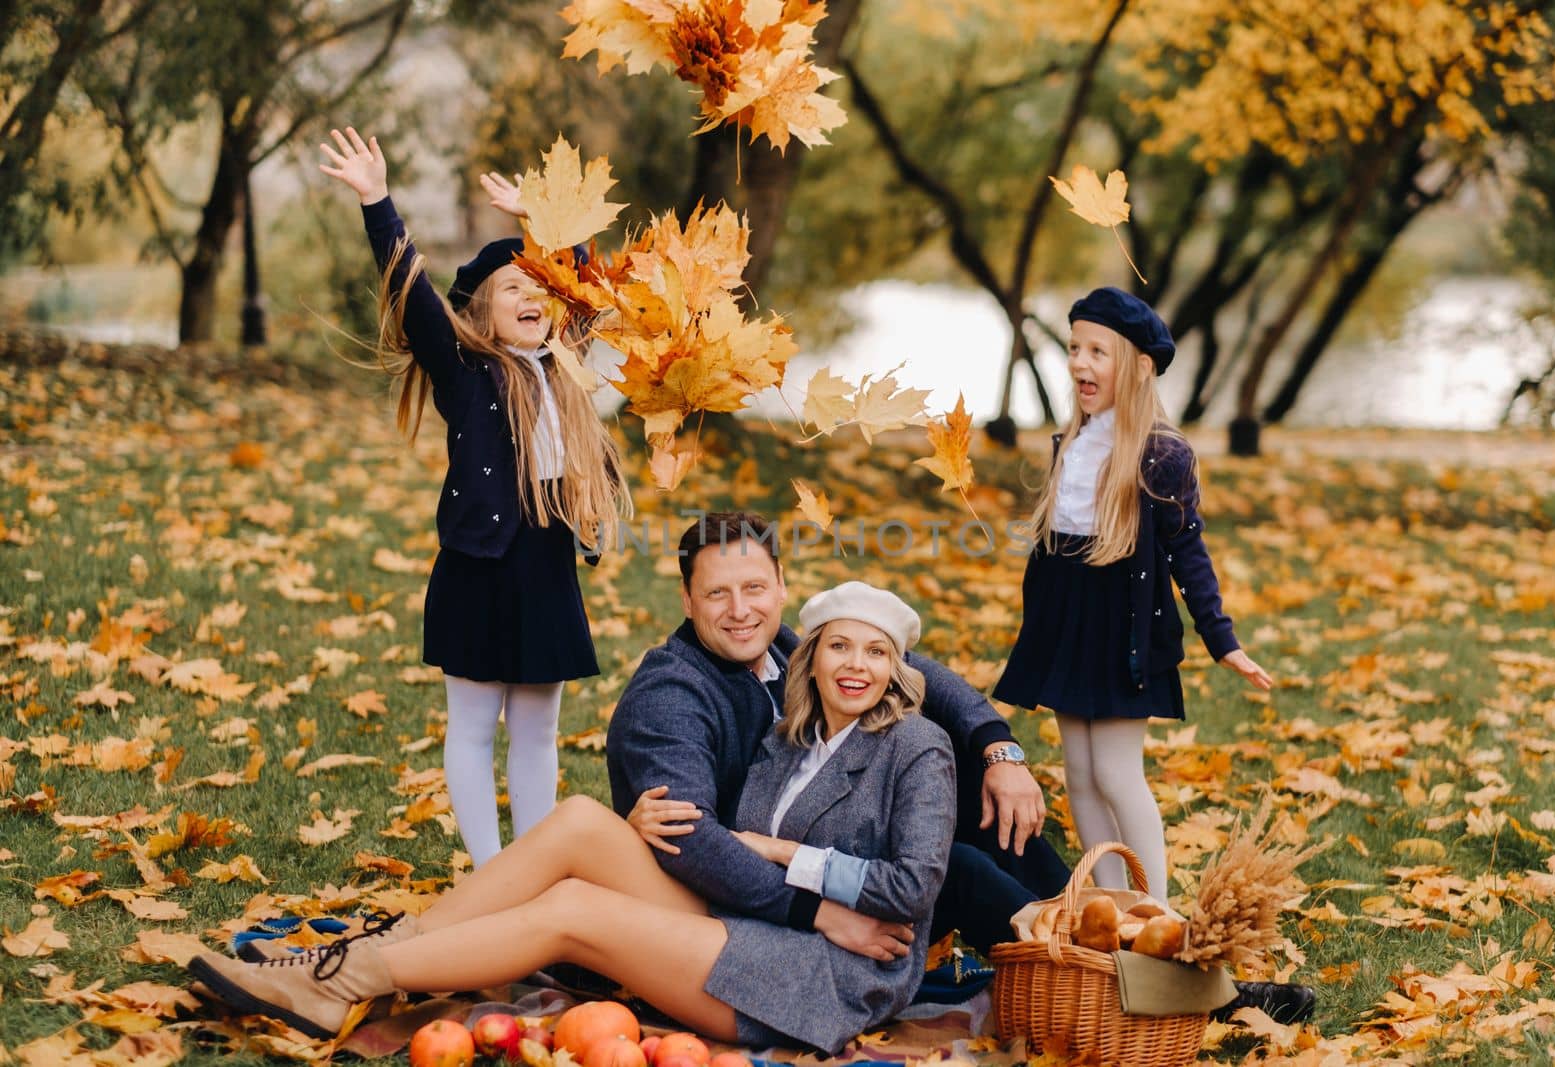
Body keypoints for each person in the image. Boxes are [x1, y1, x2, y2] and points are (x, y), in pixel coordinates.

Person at [186, 583, 955, 1056]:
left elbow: (914, 885)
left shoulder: (915, 747)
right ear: (809, 656)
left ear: (898, 668)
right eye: (842, 647)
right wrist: (657, 818)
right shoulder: (793, 737)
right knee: (584, 819)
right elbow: (733, 832)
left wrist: (791, 859)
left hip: (833, 971)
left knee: (573, 910)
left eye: (878, 653)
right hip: (770, 922)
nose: (858, 666)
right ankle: (391, 949)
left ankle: (341, 983)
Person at [317, 125, 631, 865]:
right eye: (512, 290)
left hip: (546, 565)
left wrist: (543, 228)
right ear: (482, 314)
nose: (531, 298)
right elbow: (412, 294)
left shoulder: (568, 365)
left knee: (537, 728)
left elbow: (585, 291)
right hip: (479, 564)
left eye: (538, 289)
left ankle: (532, 862)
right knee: (471, 724)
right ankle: (491, 869)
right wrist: (376, 200)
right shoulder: (466, 373)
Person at [608, 512, 1060, 959]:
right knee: (957, 872)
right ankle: (1066, 963)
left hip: (818, 838)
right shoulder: (670, 697)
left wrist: (997, 749)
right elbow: (693, 844)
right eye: (716, 594)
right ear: (687, 599)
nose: (740, 610)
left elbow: (912, 669)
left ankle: (1083, 917)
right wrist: (816, 911)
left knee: (962, 777)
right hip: (754, 894)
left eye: (754, 588)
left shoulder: (781, 648)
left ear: (781, 584)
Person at [992, 286, 1272, 905]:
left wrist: (1221, 639)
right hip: (1068, 623)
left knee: (1117, 773)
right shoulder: (1072, 443)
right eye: (1074, 348)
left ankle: (1155, 911)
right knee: (1082, 779)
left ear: (1139, 367)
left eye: (1098, 351)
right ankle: (1111, 906)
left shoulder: (1161, 455)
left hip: (1123, 631)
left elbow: (1188, 553)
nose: (1079, 363)